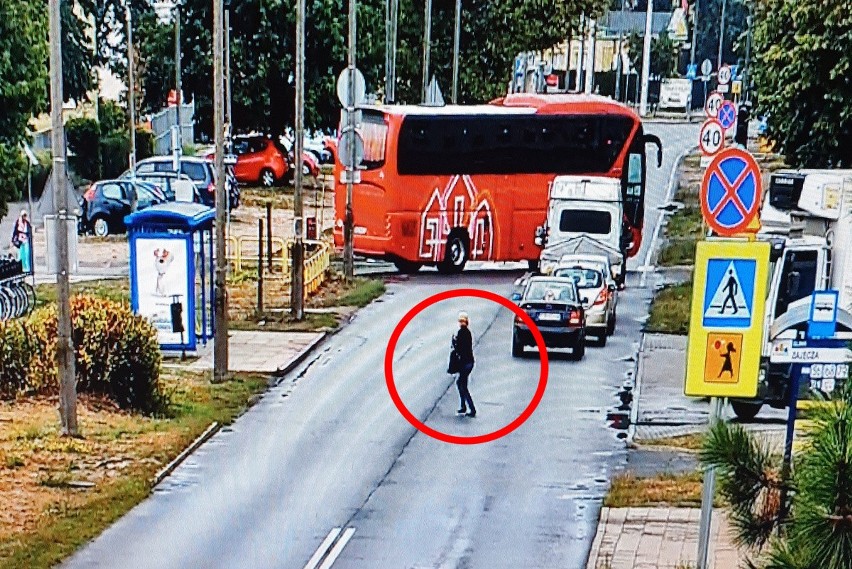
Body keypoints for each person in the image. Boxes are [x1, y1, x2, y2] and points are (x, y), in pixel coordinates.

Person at [452, 311, 476, 418]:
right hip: (468, 362)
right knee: (460, 383)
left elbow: (460, 349)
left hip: (465, 363)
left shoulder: (462, 333)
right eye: (460, 321)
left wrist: (454, 343)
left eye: (463, 321)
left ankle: (471, 408)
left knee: (462, 385)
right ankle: (463, 406)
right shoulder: (467, 332)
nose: (461, 323)